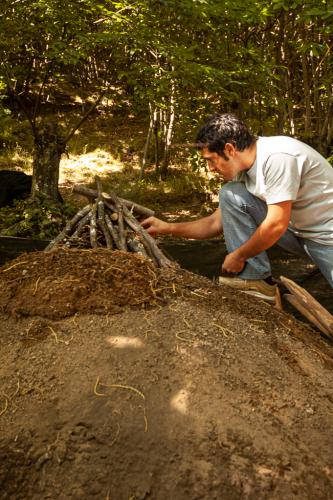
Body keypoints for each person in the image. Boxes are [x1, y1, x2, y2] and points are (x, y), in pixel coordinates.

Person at [141, 113, 333, 301]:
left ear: (230, 149)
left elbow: (276, 224)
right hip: (298, 233)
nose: (210, 168)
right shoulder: (243, 168)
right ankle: (257, 281)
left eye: (211, 159)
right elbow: (215, 223)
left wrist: (239, 256)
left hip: (326, 237)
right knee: (230, 194)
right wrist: (167, 228)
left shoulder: (277, 157)